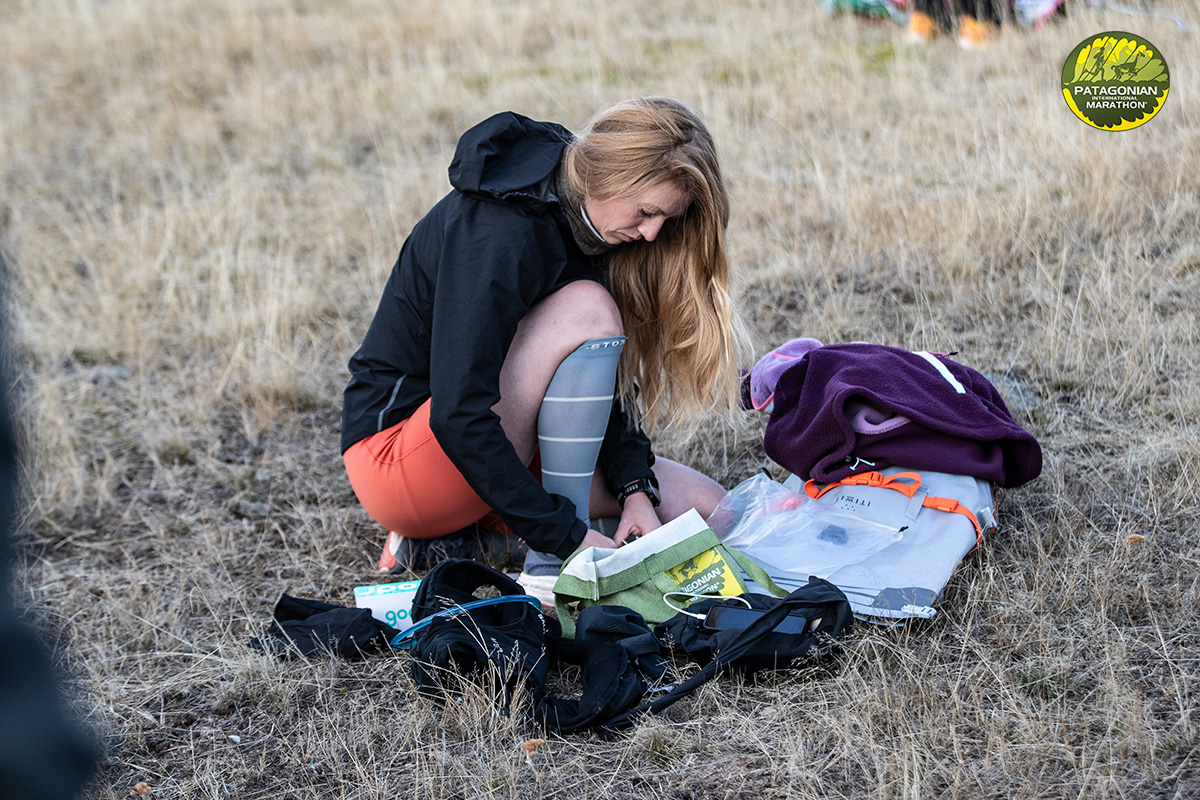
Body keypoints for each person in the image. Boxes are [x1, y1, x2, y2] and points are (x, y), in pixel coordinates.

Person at [340, 97, 744, 594]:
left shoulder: (595, 223)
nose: (651, 233)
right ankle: (550, 564)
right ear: (609, 176)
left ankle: (465, 542)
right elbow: (457, 414)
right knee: (587, 307)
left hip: (501, 438)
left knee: (713, 511)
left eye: (667, 219)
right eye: (646, 212)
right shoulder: (500, 228)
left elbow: (604, 382)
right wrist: (567, 539)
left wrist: (635, 488)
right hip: (400, 458)